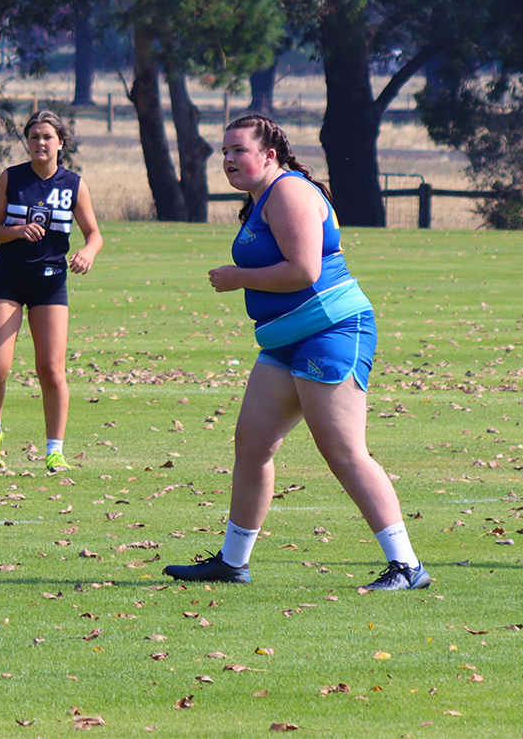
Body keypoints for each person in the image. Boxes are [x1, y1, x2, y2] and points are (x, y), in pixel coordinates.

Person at [164, 114, 430, 592]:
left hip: (331, 331)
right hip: (283, 343)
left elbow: (304, 270)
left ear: (269, 155)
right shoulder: (261, 199)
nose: (227, 159)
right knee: (252, 444)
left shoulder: (288, 191)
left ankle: (407, 566)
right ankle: (233, 562)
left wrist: (238, 277)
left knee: (344, 450)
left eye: (238, 150)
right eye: (224, 151)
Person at [0, 110, 102, 473]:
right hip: (8, 279)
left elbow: (94, 234)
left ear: (61, 142)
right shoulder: (11, 178)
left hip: (51, 281)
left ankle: (54, 450)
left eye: (48, 136)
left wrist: (88, 251)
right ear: (27, 142)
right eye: (34, 136)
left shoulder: (74, 184)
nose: (40, 143)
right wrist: (16, 231)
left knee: (51, 369)